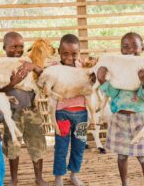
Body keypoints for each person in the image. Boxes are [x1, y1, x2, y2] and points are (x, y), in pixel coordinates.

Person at [97, 32, 144, 186]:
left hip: (139, 120)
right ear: (121, 51)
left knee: (143, 156)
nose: (129, 50)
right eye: (125, 47)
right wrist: (102, 81)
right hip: (119, 119)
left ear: (142, 48)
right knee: (122, 156)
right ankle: (124, 183)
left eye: (134, 46)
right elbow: (113, 93)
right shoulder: (119, 71)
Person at [0, 32, 48, 186]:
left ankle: (38, 178)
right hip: (12, 112)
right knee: (13, 146)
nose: (18, 49)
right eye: (13, 46)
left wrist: (34, 67)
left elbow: (44, 77)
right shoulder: (0, 65)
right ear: (4, 47)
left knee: (37, 143)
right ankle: (14, 179)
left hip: (31, 109)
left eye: (21, 46)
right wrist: (12, 83)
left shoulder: (26, 61)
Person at [53, 34, 89, 186]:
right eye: (65, 53)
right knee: (61, 146)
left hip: (82, 114)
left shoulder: (83, 67)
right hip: (62, 113)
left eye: (74, 54)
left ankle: (74, 174)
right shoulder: (55, 68)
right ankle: (59, 177)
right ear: (59, 52)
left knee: (79, 145)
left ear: (79, 53)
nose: (69, 57)